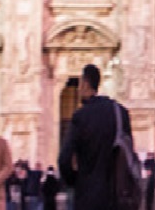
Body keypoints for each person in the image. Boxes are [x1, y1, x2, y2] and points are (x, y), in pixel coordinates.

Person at [58, 64, 134, 210]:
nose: (78, 89)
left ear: (85, 84)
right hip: (117, 197)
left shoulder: (81, 117)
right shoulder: (120, 113)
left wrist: (75, 181)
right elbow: (129, 152)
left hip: (87, 197)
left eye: (80, 84)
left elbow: (64, 159)